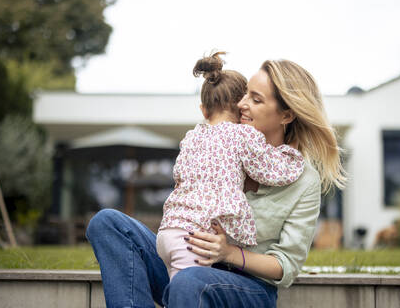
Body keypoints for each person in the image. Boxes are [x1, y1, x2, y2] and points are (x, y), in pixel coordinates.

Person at [86, 58, 346, 308]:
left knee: (190, 281)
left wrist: (229, 253)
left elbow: (285, 266)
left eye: (255, 99)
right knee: (107, 223)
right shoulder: (217, 144)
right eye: (244, 94)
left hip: (247, 286)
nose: (242, 104)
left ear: (287, 115)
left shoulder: (303, 179)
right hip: (189, 260)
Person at [157, 52, 305, 279]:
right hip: (195, 239)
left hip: (168, 232)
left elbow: (178, 175)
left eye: (255, 100)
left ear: (204, 110)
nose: (246, 105)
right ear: (239, 110)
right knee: (183, 290)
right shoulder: (241, 135)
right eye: (246, 99)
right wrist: (291, 152)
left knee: (178, 290)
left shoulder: (191, 137)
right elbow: (275, 171)